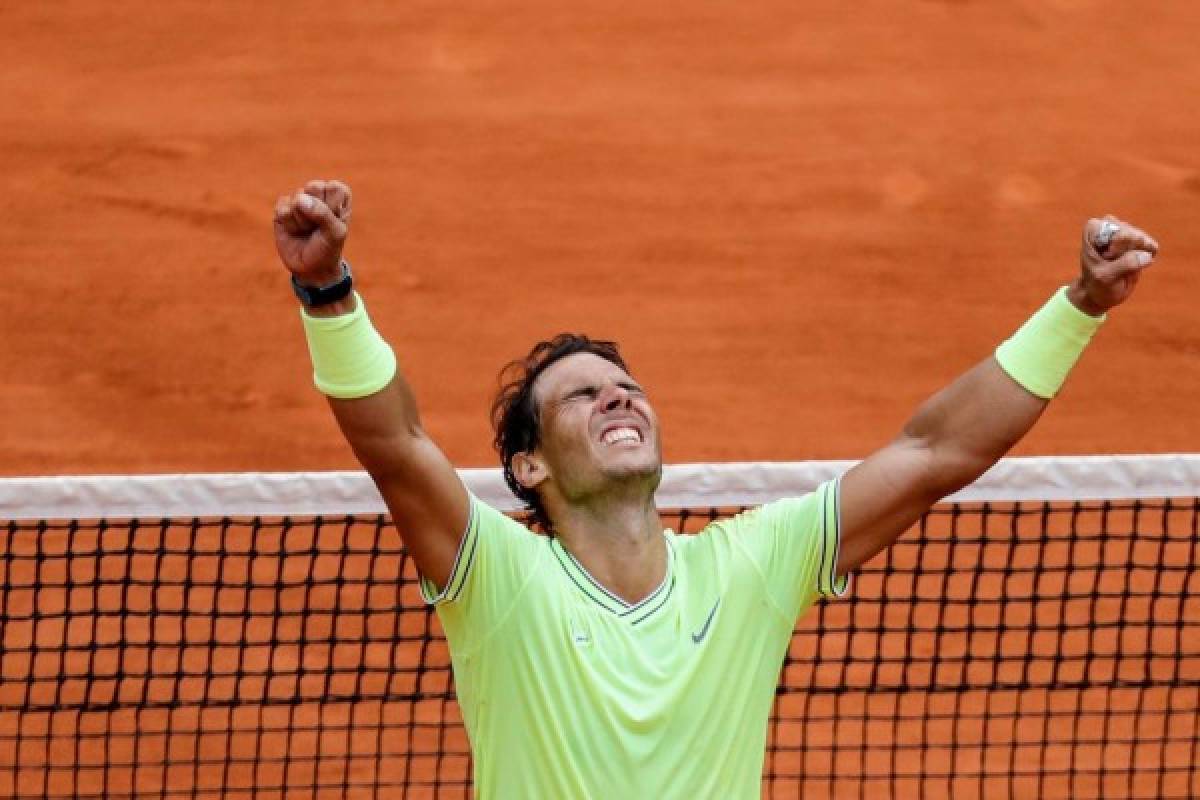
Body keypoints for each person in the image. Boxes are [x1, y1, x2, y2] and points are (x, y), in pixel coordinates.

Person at [272, 179, 1158, 799]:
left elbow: (937, 452)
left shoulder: (748, 570)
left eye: (625, 388)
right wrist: (326, 290)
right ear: (531, 467)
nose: (616, 395)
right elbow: (395, 443)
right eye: (580, 396)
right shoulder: (497, 582)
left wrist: (1078, 305)